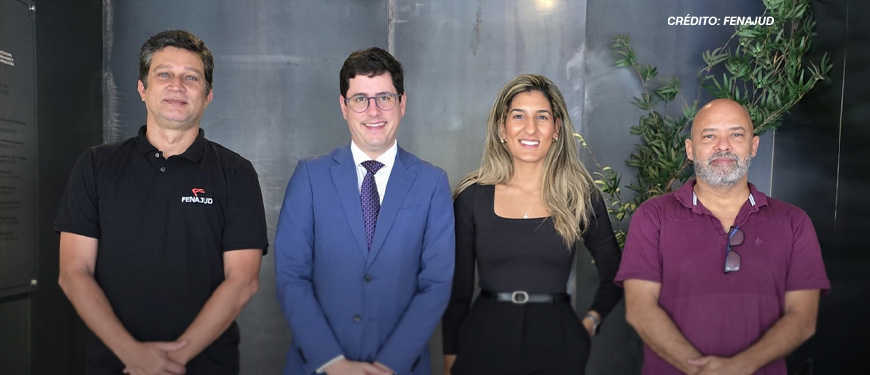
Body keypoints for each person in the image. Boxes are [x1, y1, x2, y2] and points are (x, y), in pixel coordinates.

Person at [55, 30, 268, 375]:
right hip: (114, 365)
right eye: (164, 74)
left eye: (191, 77)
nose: (177, 86)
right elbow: (73, 272)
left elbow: (243, 280)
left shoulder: (236, 173)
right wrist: (132, 354)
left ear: (208, 94)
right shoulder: (96, 165)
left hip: (205, 366)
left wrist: (171, 362)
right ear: (143, 88)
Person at [616, 98, 830, 375]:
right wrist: (702, 371)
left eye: (736, 134)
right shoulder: (652, 217)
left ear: (753, 146)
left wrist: (740, 367)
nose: (723, 145)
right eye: (710, 135)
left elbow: (802, 318)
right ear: (690, 150)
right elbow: (640, 310)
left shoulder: (794, 223)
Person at [274, 47, 455, 375]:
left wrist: (389, 365)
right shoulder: (310, 177)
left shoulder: (432, 183)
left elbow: (436, 284)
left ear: (402, 103)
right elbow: (291, 276)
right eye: (360, 99)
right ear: (344, 106)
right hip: (317, 366)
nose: (373, 111)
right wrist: (333, 362)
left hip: (401, 367)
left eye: (384, 97)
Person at [441, 74, 623, 375]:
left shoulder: (578, 195)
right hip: (482, 340)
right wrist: (450, 360)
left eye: (542, 117)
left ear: (556, 129)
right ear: (502, 128)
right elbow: (458, 291)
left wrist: (589, 323)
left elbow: (615, 270)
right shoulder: (471, 197)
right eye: (518, 116)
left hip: (558, 343)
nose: (530, 128)